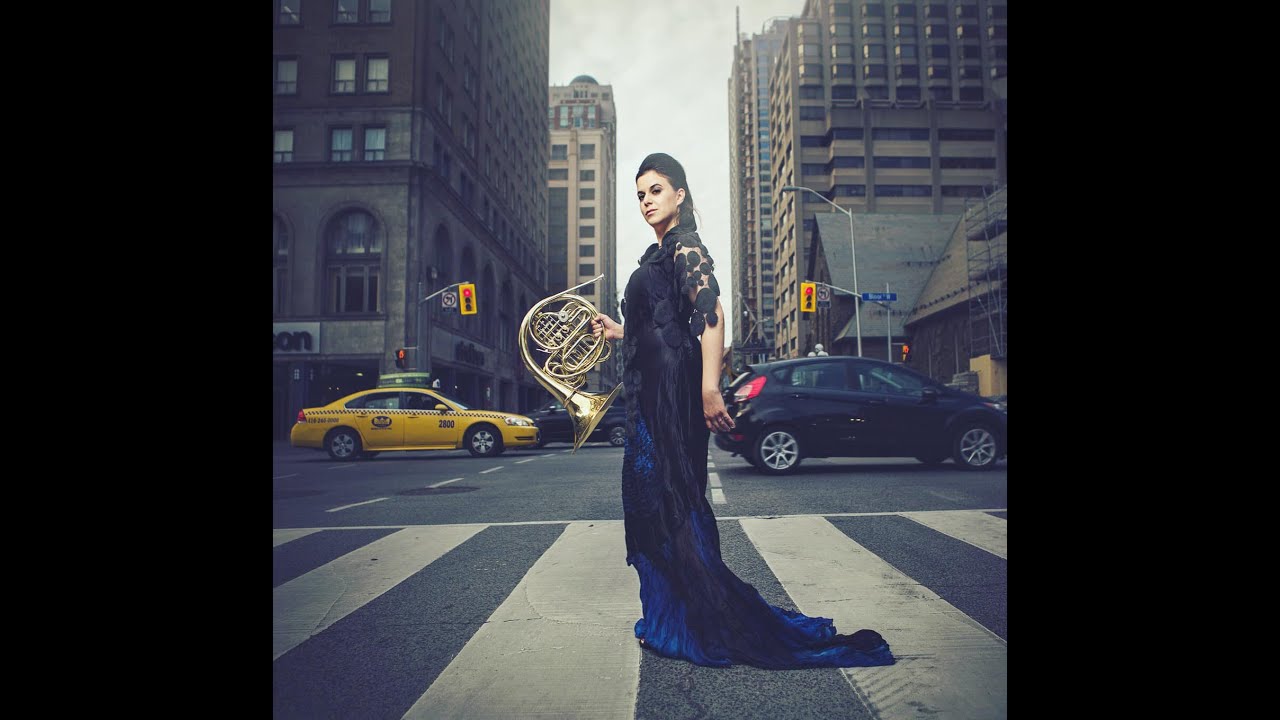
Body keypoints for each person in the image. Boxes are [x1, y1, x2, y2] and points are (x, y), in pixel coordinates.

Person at [591, 153, 894, 669]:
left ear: (680, 195)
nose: (646, 201)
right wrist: (621, 330)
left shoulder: (686, 245)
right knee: (654, 505)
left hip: (671, 397)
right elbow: (664, 325)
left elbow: (712, 314)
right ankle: (678, 615)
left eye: (656, 190)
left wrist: (710, 389)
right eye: (640, 193)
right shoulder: (660, 254)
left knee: (672, 504)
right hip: (649, 393)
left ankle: (700, 621)